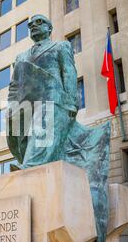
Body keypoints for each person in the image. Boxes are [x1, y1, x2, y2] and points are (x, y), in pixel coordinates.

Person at [7, 14, 78, 168]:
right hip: (26, 101)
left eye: (39, 22)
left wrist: (72, 103)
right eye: (30, 24)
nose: (33, 25)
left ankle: (31, 165)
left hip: (53, 97)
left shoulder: (61, 46)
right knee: (17, 129)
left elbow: (68, 72)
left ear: (49, 28)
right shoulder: (21, 57)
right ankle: (26, 159)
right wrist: (11, 105)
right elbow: (14, 83)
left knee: (43, 118)